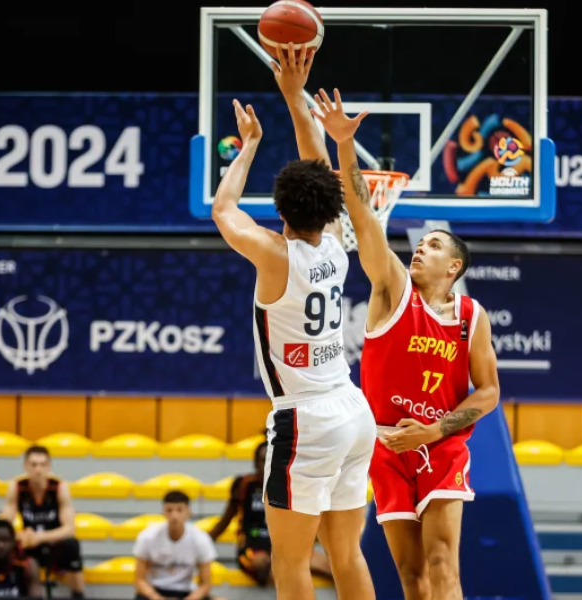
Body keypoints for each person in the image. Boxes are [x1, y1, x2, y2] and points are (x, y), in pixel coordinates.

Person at [312, 88, 503, 600]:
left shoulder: (471, 316)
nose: (420, 249)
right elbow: (362, 218)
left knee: (443, 565)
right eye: (420, 244)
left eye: (433, 246)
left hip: (441, 444)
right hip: (385, 445)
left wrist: (436, 430)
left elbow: (488, 392)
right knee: (411, 577)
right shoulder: (393, 290)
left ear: (454, 266)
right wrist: (345, 146)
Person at [208, 43, 377, 600]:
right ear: (330, 209)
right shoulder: (336, 242)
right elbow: (319, 166)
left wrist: (250, 145)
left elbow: (223, 209)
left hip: (306, 419)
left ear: (280, 211)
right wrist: (294, 98)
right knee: (346, 554)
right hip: (353, 409)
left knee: (290, 561)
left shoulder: (275, 255)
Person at [208, 440, 333, 587]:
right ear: (256, 464)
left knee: (333, 568)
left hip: (285, 547)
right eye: (264, 460)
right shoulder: (244, 485)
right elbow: (224, 521)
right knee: (269, 565)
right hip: (252, 548)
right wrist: (201, 543)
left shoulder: (290, 487)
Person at [0, 445, 85, 597]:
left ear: (49, 467)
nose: (38, 470)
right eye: (33, 465)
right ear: (26, 466)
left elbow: (69, 529)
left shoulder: (59, 488)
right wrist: (20, 535)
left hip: (54, 543)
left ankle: (78, 594)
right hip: (30, 543)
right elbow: (3, 527)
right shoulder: (17, 487)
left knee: (72, 545)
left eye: (42, 465)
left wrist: (40, 537)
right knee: (3, 545)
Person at [132, 491, 218, 600]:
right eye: (169, 510)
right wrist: (157, 598)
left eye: (179, 510)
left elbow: (205, 584)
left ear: (188, 512)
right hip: (156, 591)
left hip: (187, 592)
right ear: (163, 512)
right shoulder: (148, 536)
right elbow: (139, 580)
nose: (174, 516)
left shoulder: (200, 539)